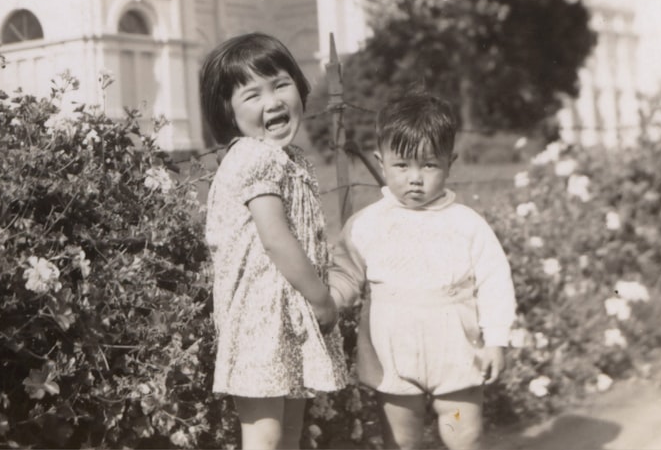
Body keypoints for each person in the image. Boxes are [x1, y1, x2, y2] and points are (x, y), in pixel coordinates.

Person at [328, 93, 516, 450]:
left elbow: (494, 281)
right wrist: (329, 300)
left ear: (450, 163)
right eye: (402, 166)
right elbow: (346, 274)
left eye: (429, 166)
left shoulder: (466, 224)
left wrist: (496, 340)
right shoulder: (367, 225)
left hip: (456, 351)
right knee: (401, 440)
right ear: (381, 163)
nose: (415, 178)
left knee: (464, 434)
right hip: (393, 355)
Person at [200, 32, 348, 450]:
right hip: (259, 319)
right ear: (227, 111)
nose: (273, 101)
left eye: (281, 85)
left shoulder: (289, 158)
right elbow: (275, 238)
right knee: (264, 433)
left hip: (285, 315)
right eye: (252, 94)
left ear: (299, 88)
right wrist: (321, 298)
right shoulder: (254, 157)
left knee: (288, 431)